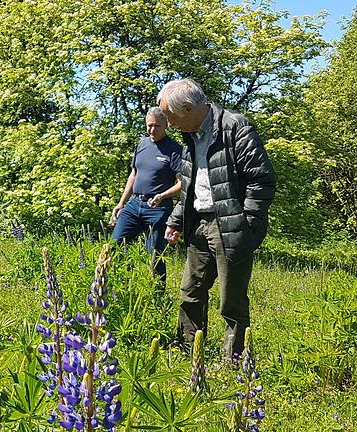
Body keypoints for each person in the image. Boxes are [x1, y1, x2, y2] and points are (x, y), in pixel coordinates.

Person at [158, 78, 275, 358]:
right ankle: (188, 353)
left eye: (172, 117)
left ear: (187, 108)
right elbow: (192, 182)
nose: (170, 125)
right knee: (190, 292)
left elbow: (262, 181)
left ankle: (233, 363)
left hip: (230, 226)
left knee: (230, 302)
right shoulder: (189, 135)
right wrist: (176, 218)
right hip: (197, 222)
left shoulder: (236, 127)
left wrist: (247, 224)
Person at [110, 107, 182, 287]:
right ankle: (123, 288)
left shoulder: (174, 149)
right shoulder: (141, 144)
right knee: (115, 247)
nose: (152, 130)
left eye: (157, 126)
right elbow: (133, 174)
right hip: (134, 205)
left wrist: (163, 195)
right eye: (149, 125)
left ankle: (158, 297)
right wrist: (121, 203)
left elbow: (183, 183)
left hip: (158, 209)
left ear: (166, 125)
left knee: (155, 255)